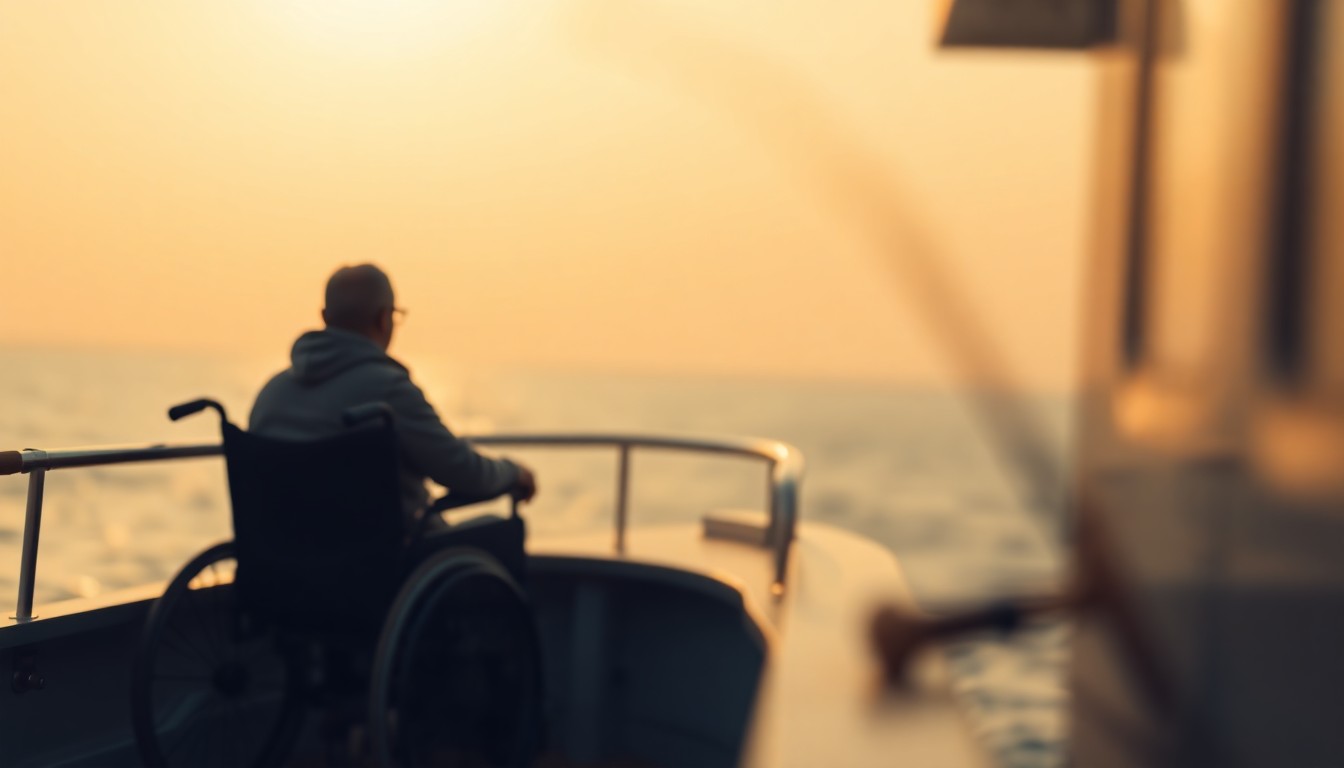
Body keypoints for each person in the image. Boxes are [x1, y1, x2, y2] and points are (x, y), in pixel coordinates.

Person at [250, 263, 536, 531]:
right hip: (378, 567)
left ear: (325, 317)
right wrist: (512, 473)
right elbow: (462, 471)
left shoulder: (271, 394)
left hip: (282, 565)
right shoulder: (387, 392)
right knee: (498, 530)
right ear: (384, 319)